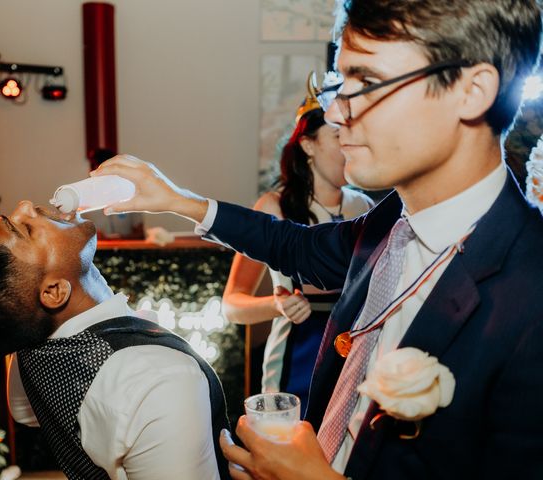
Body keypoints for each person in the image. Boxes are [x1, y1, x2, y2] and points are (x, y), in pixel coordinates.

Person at [89, 0, 543, 477]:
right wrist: (179, 200)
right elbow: (297, 247)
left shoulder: (529, 292)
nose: (338, 114)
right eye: (339, 85)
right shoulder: (394, 217)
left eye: (367, 83)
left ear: (471, 92)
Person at [0, 202, 230, 480]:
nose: (27, 206)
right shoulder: (160, 381)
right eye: (24, 230)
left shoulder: (29, 351)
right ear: (54, 292)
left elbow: (23, 412)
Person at [223, 89, 373, 412]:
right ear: (308, 145)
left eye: (351, 132)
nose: (348, 143)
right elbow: (232, 305)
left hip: (356, 355)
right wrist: (277, 305)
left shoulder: (366, 207)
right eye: (337, 134)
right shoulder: (274, 208)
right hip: (297, 356)